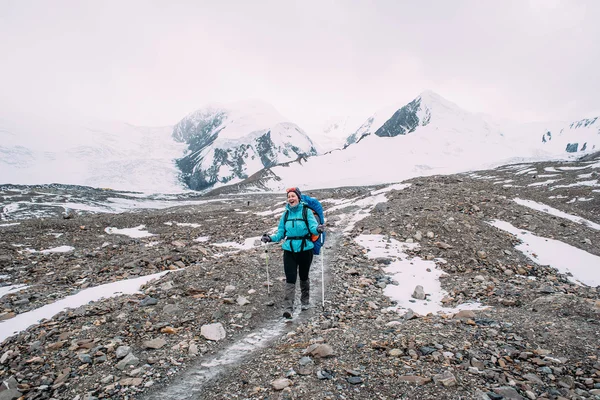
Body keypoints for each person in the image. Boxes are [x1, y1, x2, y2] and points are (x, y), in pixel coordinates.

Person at [261, 187, 325, 318]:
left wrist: (317, 229)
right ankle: (288, 308)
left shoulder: (306, 212)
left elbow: (313, 227)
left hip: (305, 249)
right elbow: (280, 233)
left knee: (303, 276)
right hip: (289, 250)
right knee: (290, 278)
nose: (291, 198)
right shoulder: (285, 214)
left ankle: (305, 301)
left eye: (293, 196)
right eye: (289, 196)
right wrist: (270, 238)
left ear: (298, 197)